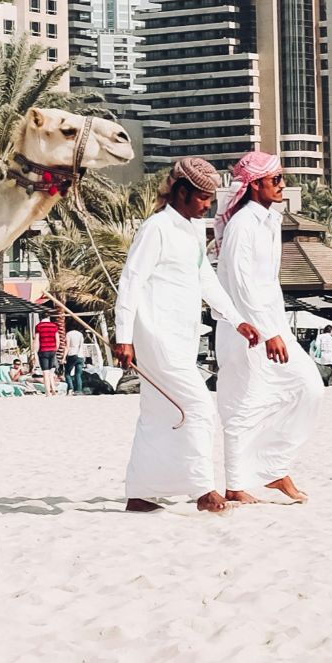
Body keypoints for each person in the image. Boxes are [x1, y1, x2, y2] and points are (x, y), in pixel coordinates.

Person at [113, 157, 262, 515]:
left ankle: (140, 493)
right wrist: (123, 336)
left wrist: (237, 319)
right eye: (202, 198)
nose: (208, 205)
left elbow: (205, 280)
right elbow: (130, 281)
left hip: (181, 336)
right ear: (181, 192)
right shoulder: (157, 228)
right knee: (197, 407)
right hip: (155, 336)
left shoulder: (192, 230)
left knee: (155, 413)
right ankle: (204, 490)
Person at [215, 151, 322, 505]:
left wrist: (276, 329)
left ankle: (274, 468)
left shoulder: (268, 221)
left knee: (309, 388)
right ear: (255, 184)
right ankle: (235, 485)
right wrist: (267, 331)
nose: (282, 185)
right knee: (242, 404)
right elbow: (242, 286)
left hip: (273, 325)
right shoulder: (243, 224)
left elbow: (265, 284)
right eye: (276, 179)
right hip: (245, 330)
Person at [34, 315, 61, 395]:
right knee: (51, 371)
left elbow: (37, 340)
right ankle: (53, 390)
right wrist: (55, 349)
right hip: (52, 350)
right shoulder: (54, 326)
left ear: (40, 317)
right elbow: (57, 340)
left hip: (43, 351)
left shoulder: (39, 326)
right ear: (48, 317)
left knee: (45, 372)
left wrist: (35, 352)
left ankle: (47, 392)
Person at [62, 325, 88, 394]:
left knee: (67, 373)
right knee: (78, 374)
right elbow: (81, 345)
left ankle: (70, 388)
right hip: (80, 355)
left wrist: (63, 358)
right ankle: (79, 390)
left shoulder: (69, 334)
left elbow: (67, 346)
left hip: (72, 354)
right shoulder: (80, 334)